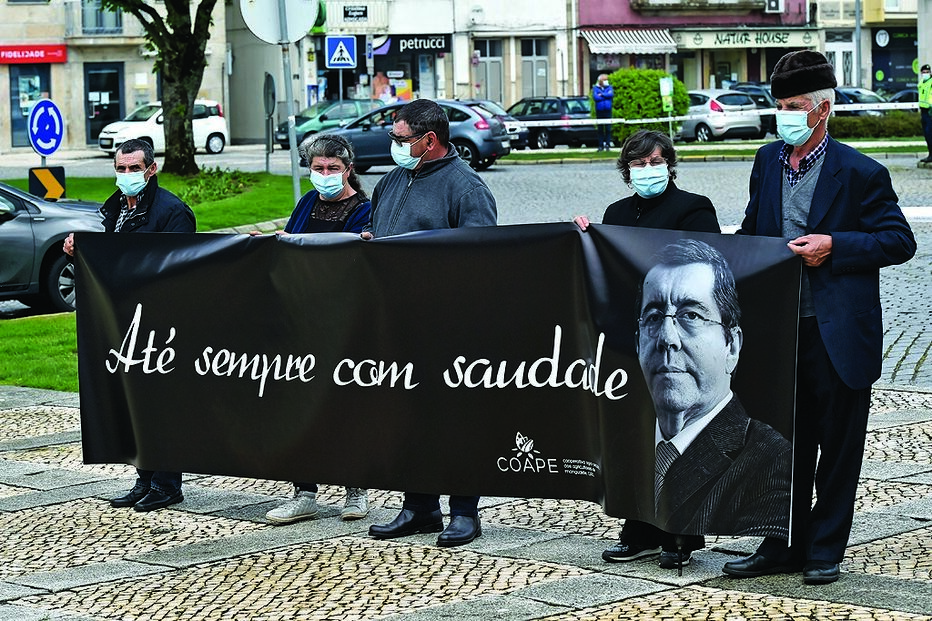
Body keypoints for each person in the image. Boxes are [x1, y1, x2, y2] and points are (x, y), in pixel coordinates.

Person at [722, 50, 916, 586]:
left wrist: (835, 244)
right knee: (782, 445)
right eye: (778, 105)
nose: (783, 114)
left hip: (838, 333)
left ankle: (825, 547)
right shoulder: (766, 162)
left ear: (822, 109)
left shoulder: (860, 172)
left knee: (838, 447)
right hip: (780, 331)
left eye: (794, 105)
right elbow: (753, 230)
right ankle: (781, 545)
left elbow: (899, 241)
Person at [574, 130, 719, 570]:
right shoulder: (616, 212)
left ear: (669, 164)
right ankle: (636, 528)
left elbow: (706, 263)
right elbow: (605, 266)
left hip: (677, 337)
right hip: (628, 337)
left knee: (677, 433)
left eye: (656, 161)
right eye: (639, 164)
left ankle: (680, 533)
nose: (648, 169)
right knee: (632, 436)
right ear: (627, 170)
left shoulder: (693, 207)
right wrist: (587, 237)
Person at [363, 98, 497, 547]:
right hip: (395, 323)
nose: (395, 146)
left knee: (454, 420)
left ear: (429, 140)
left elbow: (481, 260)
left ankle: (464, 510)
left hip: (448, 326)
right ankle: (419, 506)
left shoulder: (466, 187)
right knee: (406, 418)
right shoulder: (391, 180)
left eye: (401, 139)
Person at [63, 138, 195, 512]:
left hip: (161, 324)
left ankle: (168, 483)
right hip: (125, 321)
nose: (126, 175)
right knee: (134, 402)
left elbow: (178, 266)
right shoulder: (116, 207)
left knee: (161, 404)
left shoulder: (172, 211)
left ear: (151, 169)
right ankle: (145, 477)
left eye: (133, 169)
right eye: (120, 168)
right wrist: (81, 251)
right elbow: (111, 260)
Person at [638, 240, 792, 546]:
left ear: (731, 345)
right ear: (636, 342)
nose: (667, 339)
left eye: (691, 316)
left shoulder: (772, 461)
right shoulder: (618, 445)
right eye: (654, 318)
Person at [255, 133, 371, 523]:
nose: (324, 175)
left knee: (345, 405)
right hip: (300, 318)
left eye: (332, 168)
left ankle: (356, 489)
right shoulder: (307, 202)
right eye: (318, 168)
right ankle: (303, 491)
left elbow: (356, 259)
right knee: (299, 406)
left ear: (348, 169)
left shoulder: (363, 210)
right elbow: (290, 249)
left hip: (345, 321)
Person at [592, 74, 614, 152]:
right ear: (600, 81)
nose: (606, 81)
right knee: (600, 129)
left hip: (608, 111)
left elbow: (610, 95)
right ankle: (600, 145)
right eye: (604, 80)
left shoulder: (609, 87)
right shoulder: (595, 88)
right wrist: (605, 96)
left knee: (608, 129)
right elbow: (596, 97)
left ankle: (607, 145)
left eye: (606, 79)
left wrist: (602, 94)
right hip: (600, 111)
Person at [919, 63, 932, 163]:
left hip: (930, 111)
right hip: (923, 111)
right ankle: (930, 154)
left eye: (927, 72)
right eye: (924, 72)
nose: (925, 74)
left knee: (930, 133)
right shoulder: (922, 83)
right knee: (927, 134)